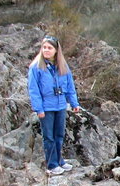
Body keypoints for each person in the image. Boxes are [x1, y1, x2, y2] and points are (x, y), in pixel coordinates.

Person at [27, 34, 80, 176]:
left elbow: (70, 86)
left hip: (60, 105)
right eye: (44, 47)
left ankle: (59, 160)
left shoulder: (62, 66)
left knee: (59, 134)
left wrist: (74, 103)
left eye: (49, 48)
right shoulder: (36, 67)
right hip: (46, 107)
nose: (46, 50)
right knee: (48, 137)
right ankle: (51, 164)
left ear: (56, 50)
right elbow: (34, 90)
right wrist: (39, 109)